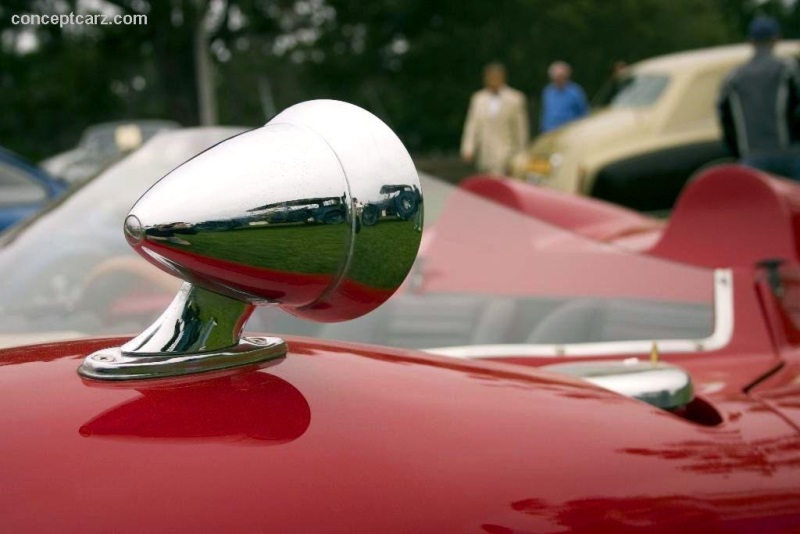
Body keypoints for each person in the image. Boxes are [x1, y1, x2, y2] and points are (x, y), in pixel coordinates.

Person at [717, 16, 800, 179]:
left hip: (752, 155)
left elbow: (723, 115)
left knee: (760, 202)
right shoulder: (788, 69)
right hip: (790, 153)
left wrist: (737, 151)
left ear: (751, 41)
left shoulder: (733, 77)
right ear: (777, 39)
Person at [461, 62, 529, 175]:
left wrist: (521, 155)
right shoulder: (478, 99)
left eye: (496, 76)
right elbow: (472, 125)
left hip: (507, 155)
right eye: (489, 77)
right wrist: (468, 148)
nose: (492, 80)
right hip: (485, 154)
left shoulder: (515, 99)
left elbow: (521, 130)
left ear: (503, 77)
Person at [540, 61, 589, 133]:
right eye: (556, 77)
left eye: (562, 76)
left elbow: (584, 113)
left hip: (569, 131)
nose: (559, 79)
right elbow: (545, 112)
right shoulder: (548, 91)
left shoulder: (575, 91)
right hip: (549, 131)